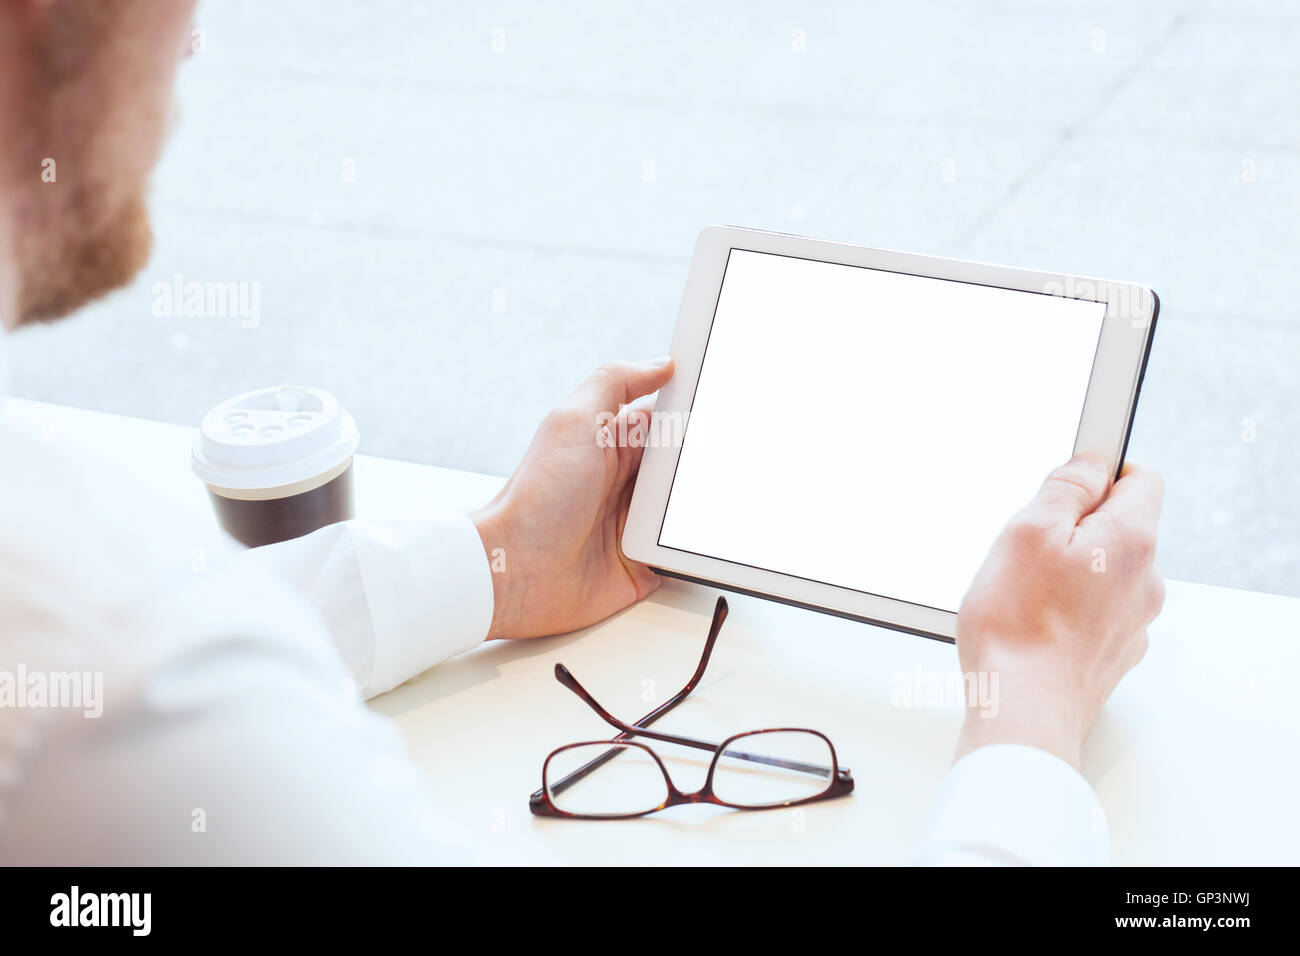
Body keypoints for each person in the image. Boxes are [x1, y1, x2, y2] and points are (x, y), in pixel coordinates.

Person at [0, 0, 1163, 865]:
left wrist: (498, 560)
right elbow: (142, 667)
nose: (193, 35)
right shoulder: (121, 658)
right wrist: (1029, 698)